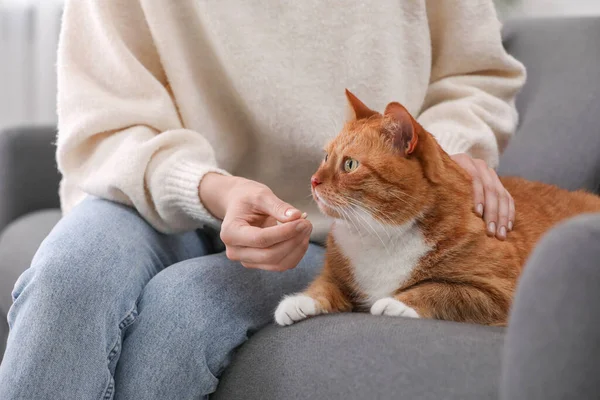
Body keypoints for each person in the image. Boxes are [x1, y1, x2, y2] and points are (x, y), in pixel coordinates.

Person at [0, 1, 525, 399]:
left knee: (179, 317)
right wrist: (213, 187)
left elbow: (475, 75)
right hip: (147, 186)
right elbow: (106, 118)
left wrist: (442, 158)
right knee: (66, 282)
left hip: (331, 224)